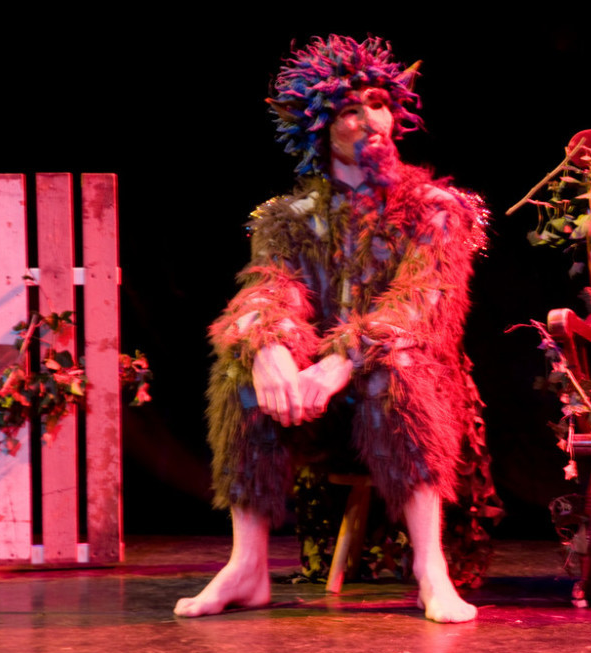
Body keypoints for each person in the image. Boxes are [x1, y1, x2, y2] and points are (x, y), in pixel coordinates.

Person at [173, 35, 489, 623]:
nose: (371, 120)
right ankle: (247, 566)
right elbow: (269, 287)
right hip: (318, 411)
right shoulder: (284, 218)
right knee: (241, 372)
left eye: (378, 103)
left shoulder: (436, 207)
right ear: (320, 126)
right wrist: (267, 347)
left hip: (416, 402)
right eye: (349, 109)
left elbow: (422, 303)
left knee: (396, 367)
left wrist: (342, 360)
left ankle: (431, 569)